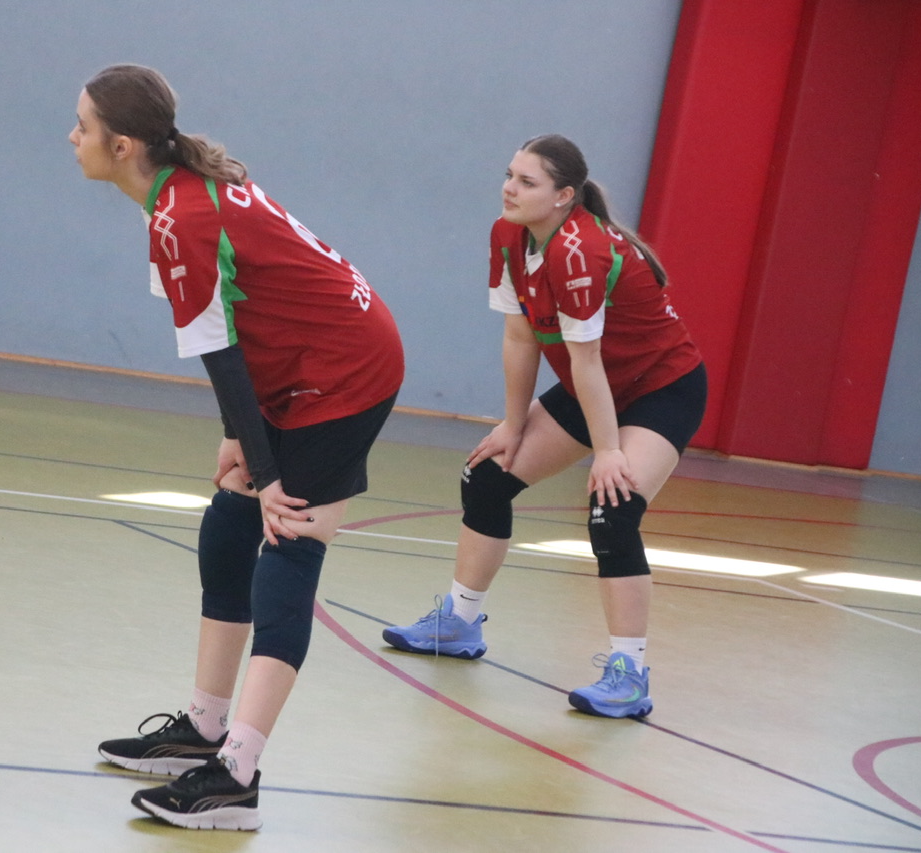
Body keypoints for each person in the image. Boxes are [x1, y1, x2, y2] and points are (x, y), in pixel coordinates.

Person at [69, 64, 404, 830]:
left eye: (82, 126)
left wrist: (270, 470)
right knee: (229, 523)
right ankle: (204, 727)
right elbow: (228, 326)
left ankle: (237, 778)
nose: (71, 137)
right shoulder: (172, 201)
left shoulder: (180, 218)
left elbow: (219, 353)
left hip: (346, 370)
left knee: (288, 546)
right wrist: (239, 441)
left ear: (122, 146)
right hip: (300, 363)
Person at [382, 134, 705, 719]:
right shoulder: (509, 235)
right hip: (595, 385)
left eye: (526, 182)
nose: (509, 188)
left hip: (660, 391)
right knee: (488, 475)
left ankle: (629, 673)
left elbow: (587, 360)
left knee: (614, 508)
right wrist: (512, 426)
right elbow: (519, 337)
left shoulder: (579, 251)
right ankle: (460, 622)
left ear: (563, 196)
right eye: (509, 175)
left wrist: (608, 452)